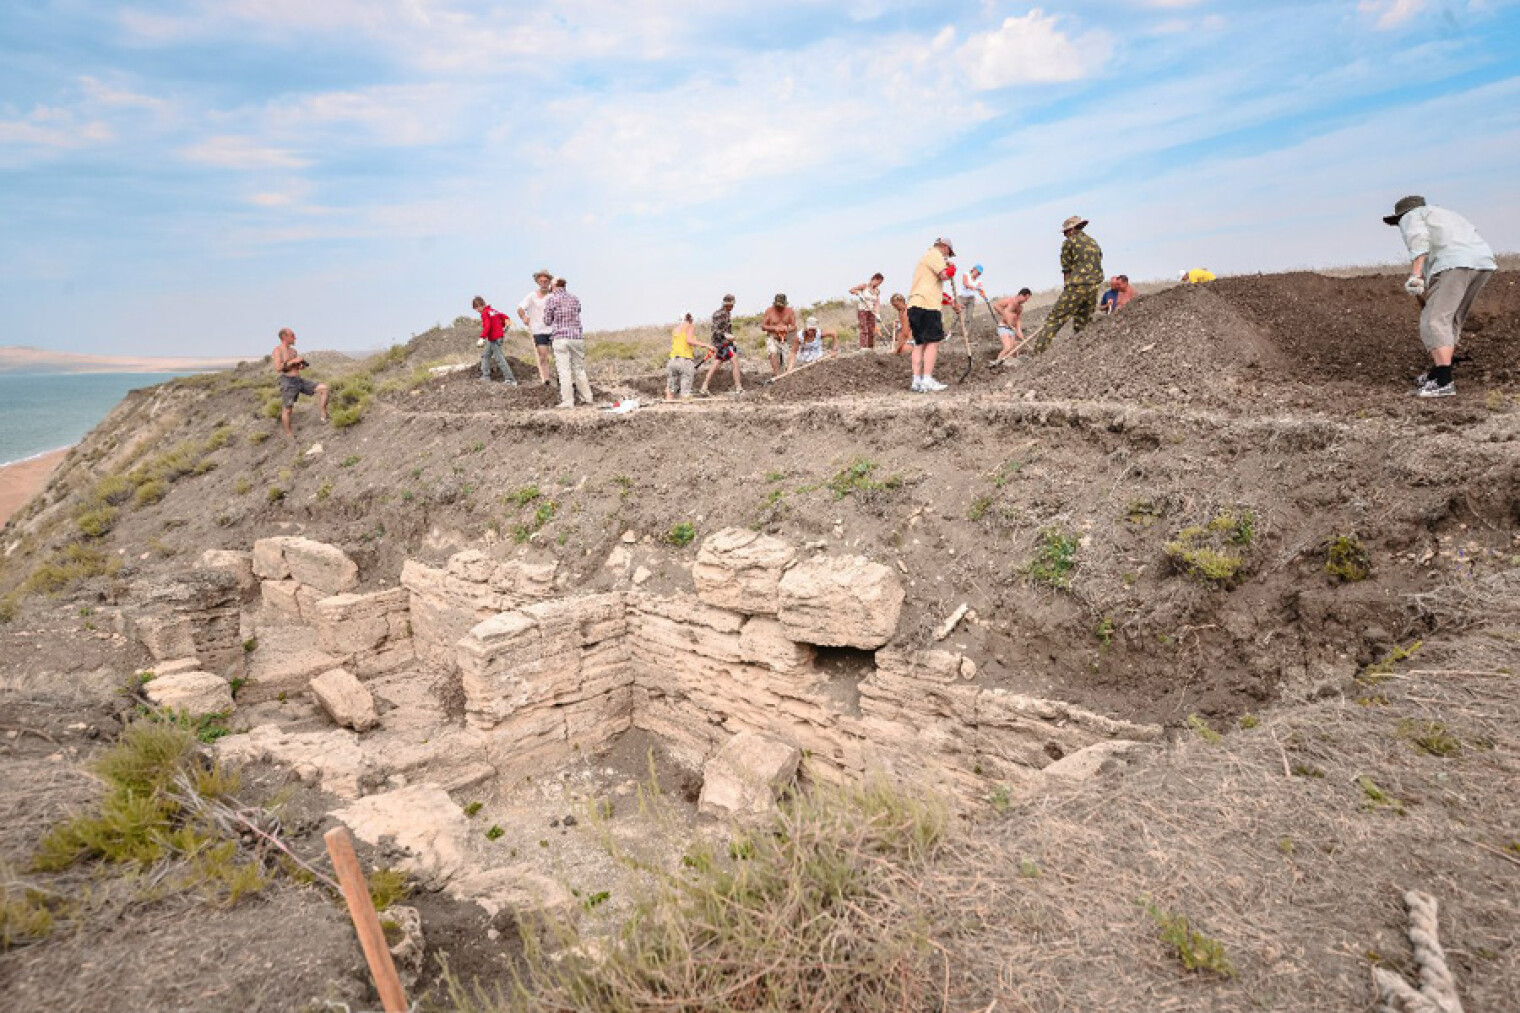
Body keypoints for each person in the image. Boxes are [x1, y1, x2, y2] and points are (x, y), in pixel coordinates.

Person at [1385, 195, 1496, 398]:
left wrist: (1415, 275)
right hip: (1482, 263)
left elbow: (1418, 240)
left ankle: (1444, 381)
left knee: (1434, 319)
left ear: (1400, 216)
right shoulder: (1445, 215)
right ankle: (1438, 373)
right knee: (1451, 319)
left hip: (1453, 264)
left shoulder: (1411, 216)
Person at [1029, 216, 1103, 353]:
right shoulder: (1094, 242)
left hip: (1077, 286)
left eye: (1066, 231)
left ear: (1073, 229)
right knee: (1083, 322)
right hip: (1094, 286)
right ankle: (1081, 352)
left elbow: (1066, 269)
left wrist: (1067, 288)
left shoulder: (1069, 243)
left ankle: (1038, 353)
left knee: (1054, 320)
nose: (1064, 234)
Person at [907, 237, 956, 392]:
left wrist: (953, 303)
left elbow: (934, 288)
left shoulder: (926, 260)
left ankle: (916, 381)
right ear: (945, 247)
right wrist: (952, 269)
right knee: (933, 342)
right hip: (927, 306)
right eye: (948, 253)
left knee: (919, 343)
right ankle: (927, 379)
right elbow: (944, 275)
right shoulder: (935, 254)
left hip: (915, 304)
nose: (947, 257)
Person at [271, 328, 329, 438]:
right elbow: (278, 368)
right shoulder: (278, 350)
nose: (295, 338)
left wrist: (300, 366)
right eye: (292, 335)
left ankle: (323, 414)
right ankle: (289, 435)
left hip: (299, 380)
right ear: (284, 337)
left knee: (324, 388)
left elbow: (295, 367)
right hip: (288, 381)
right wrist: (293, 361)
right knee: (287, 410)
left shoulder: (293, 351)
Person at [544, 278, 592, 409]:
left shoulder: (551, 299)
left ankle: (568, 401)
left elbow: (547, 320)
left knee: (564, 371)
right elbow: (577, 312)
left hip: (560, 337)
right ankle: (587, 398)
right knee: (579, 369)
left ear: (553, 286)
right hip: (576, 336)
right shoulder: (575, 298)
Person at [517, 270, 556, 386]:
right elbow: (520, 308)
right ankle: (546, 380)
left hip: (554, 330)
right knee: (543, 356)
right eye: (541, 281)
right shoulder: (532, 296)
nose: (544, 283)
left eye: (546, 281)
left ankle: (561, 379)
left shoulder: (553, 296)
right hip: (538, 330)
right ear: (538, 282)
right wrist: (523, 317)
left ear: (549, 282)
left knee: (558, 356)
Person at [700, 294, 743, 396]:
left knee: (717, 363)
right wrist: (727, 336)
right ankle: (739, 387)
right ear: (728, 304)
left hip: (722, 343)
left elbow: (724, 328)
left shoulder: (724, 313)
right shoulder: (721, 314)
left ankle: (704, 386)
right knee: (734, 362)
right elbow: (717, 330)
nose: (732, 307)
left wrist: (731, 338)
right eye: (731, 304)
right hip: (723, 343)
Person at [471, 296, 517, 385]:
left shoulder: (485, 313)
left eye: (476, 309)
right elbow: (506, 317)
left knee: (499, 358)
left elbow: (487, 326)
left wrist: (482, 337)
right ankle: (486, 376)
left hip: (495, 338)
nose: (477, 311)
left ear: (478, 306)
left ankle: (511, 379)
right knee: (485, 356)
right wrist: (505, 327)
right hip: (493, 338)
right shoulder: (494, 311)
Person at [666, 313, 710, 401]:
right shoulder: (689, 326)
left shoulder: (676, 329)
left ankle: (667, 405)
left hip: (672, 361)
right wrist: (707, 346)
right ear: (689, 319)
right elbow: (690, 341)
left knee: (670, 389)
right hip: (684, 361)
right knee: (685, 392)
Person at [991, 288, 1033, 364]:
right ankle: (997, 362)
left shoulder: (1020, 308)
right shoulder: (1009, 301)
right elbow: (996, 306)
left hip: (1012, 329)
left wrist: (1019, 331)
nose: (1025, 301)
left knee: (1014, 349)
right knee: (1008, 348)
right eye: (1025, 298)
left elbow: (1018, 319)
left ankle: (1011, 363)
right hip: (1004, 327)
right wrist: (1004, 315)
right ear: (1020, 295)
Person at [760, 294, 797, 378]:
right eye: (777, 306)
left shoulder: (790, 311)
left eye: (781, 306)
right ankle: (777, 376)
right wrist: (775, 328)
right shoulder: (769, 311)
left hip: (785, 338)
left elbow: (794, 326)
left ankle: (786, 375)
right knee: (773, 352)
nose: (779, 308)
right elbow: (763, 326)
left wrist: (786, 329)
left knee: (787, 359)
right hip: (772, 337)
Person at [849, 273, 884, 349]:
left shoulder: (877, 291)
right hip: (863, 310)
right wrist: (858, 293)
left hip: (871, 312)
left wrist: (877, 314)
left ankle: (871, 347)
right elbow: (851, 290)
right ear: (874, 279)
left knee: (871, 330)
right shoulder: (864, 286)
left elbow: (877, 303)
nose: (878, 284)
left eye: (880, 283)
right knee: (864, 328)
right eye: (878, 282)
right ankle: (863, 347)